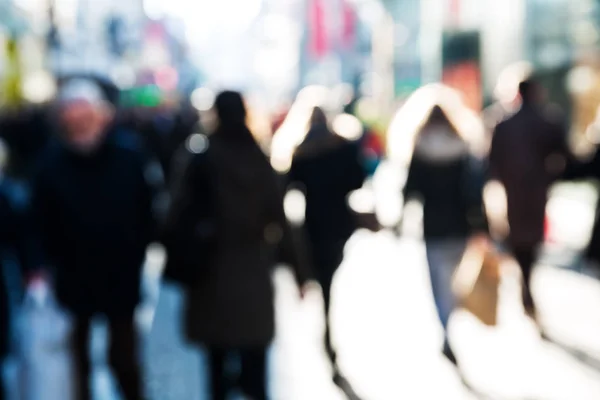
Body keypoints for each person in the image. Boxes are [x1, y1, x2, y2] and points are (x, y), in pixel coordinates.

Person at [30, 79, 165, 400]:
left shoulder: (128, 156)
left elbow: (147, 210)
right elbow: (37, 220)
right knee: (76, 359)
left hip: (120, 272)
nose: (78, 125)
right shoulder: (51, 163)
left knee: (125, 358)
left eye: (84, 117)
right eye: (71, 118)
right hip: (73, 274)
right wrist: (39, 264)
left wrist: (137, 249)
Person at [171, 91, 310, 400]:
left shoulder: (200, 158)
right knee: (255, 367)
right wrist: (300, 274)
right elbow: (281, 221)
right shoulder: (259, 159)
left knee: (216, 367)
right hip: (252, 271)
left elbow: (175, 216)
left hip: (211, 272)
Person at [402, 105, 488, 366]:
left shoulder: (421, 149)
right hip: (459, 225)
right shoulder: (462, 148)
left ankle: (446, 328)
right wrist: (482, 225)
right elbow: (474, 191)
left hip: (433, 227)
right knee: (453, 280)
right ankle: (449, 322)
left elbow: (410, 190)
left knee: (439, 282)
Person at [288, 106, 366, 394]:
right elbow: (356, 180)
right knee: (328, 276)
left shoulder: (301, 150)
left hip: (315, 224)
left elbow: (290, 184)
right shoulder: (341, 147)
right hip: (338, 224)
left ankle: (326, 322)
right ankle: (327, 325)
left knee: (325, 277)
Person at [489, 78, 569, 321]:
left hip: (514, 191)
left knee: (520, 237)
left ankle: (525, 281)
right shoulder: (547, 121)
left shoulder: (505, 125)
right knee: (529, 238)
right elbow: (564, 155)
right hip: (534, 190)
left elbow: (492, 163)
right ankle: (526, 281)